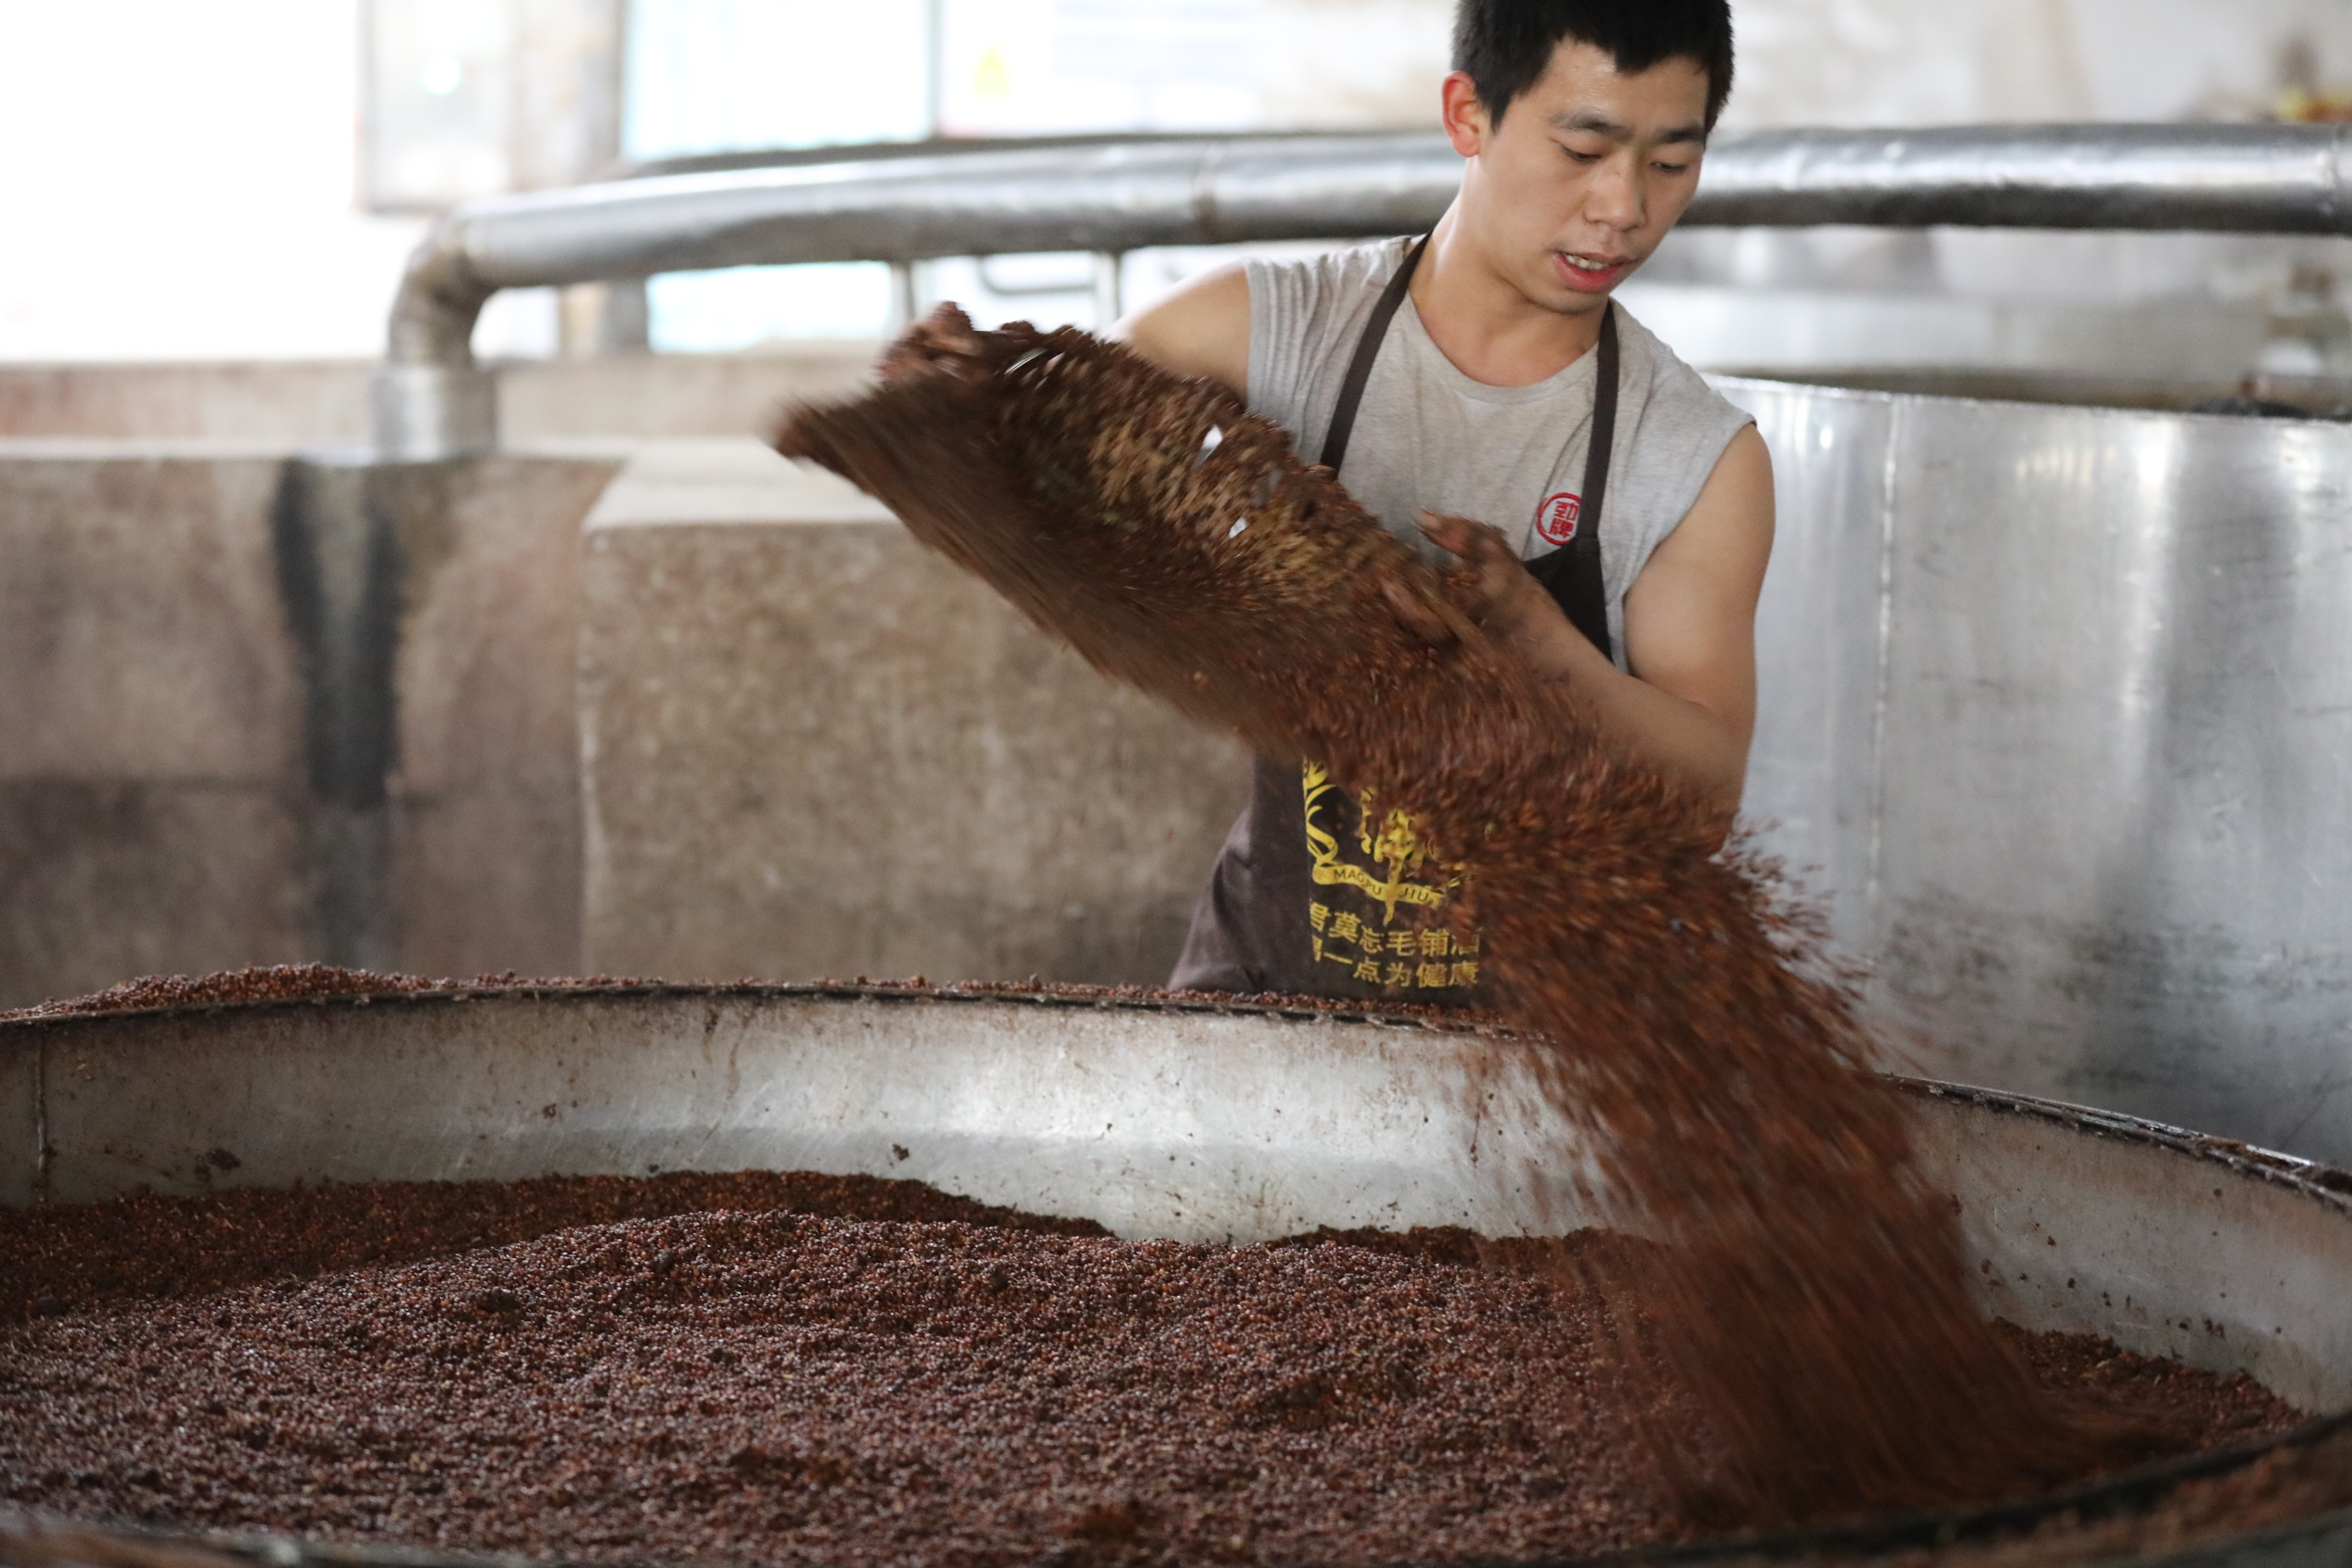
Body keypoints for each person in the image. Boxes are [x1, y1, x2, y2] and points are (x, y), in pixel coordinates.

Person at [1112, 0, 1774, 1002]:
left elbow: (1704, 800)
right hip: (1261, 995)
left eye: (1670, 163)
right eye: (1582, 149)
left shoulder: (1691, 457)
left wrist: (1541, 647)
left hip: (1545, 1044)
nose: (1623, 208)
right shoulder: (1282, 336)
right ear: (1469, 115)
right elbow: (1077, 430)